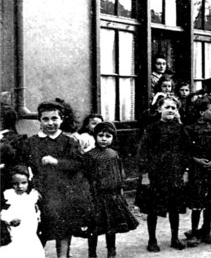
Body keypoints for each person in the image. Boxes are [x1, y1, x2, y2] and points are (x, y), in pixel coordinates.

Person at [22, 100, 94, 258]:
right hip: (40, 192)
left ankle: (63, 256)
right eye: (45, 119)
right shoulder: (31, 142)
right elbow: (25, 167)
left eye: (54, 118)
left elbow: (80, 164)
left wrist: (57, 162)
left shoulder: (69, 142)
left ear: (61, 119)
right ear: (40, 120)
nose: (50, 123)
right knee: (39, 229)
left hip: (63, 193)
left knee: (63, 229)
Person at [136, 95, 191, 252]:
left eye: (174, 108)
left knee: (174, 207)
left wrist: (185, 171)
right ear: (159, 109)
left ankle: (174, 238)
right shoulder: (152, 129)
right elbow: (143, 152)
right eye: (167, 107)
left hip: (174, 174)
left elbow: (187, 152)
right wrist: (145, 174)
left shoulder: (181, 129)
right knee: (153, 209)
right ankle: (152, 239)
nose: (170, 110)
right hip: (155, 175)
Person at [84, 122, 138, 258]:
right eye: (100, 135)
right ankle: (92, 252)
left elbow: (119, 173)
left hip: (112, 196)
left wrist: (120, 190)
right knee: (94, 227)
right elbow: (85, 177)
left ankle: (111, 250)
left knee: (111, 226)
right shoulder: (90, 156)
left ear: (113, 138)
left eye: (108, 136)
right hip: (95, 197)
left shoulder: (114, 154)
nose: (103, 139)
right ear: (95, 136)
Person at [185, 96, 211, 247]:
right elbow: (185, 150)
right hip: (197, 169)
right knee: (197, 200)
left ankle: (206, 229)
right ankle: (194, 231)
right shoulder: (190, 129)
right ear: (201, 112)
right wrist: (196, 160)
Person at [1, 165, 44, 258]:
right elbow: (3, 212)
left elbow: (35, 212)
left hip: (30, 234)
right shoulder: (9, 195)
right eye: (15, 184)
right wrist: (9, 219)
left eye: (23, 183)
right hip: (15, 233)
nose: (20, 186)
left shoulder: (32, 196)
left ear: (28, 182)